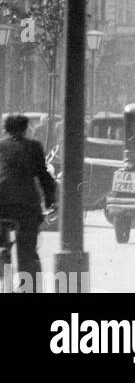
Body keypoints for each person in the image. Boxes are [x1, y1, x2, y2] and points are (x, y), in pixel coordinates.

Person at [0, 113, 58, 291]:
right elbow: (44, 177)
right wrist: (50, 202)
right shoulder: (33, 147)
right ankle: (29, 287)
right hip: (26, 206)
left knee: (2, 240)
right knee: (27, 250)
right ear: (25, 129)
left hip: (1, 205)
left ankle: (3, 258)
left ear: (5, 129)